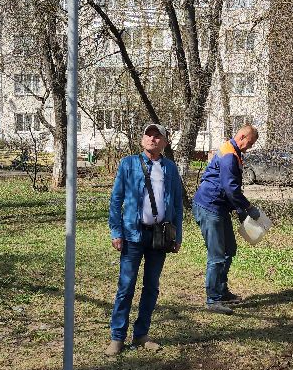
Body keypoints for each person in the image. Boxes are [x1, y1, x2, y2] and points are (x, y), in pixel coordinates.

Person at [106, 123, 183, 356]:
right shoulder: (128, 164)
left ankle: (141, 335)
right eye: (148, 135)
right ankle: (117, 337)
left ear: (165, 142)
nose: (152, 139)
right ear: (142, 140)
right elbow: (116, 199)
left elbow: (177, 204)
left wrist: (177, 234)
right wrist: (116, 231)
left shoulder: (170, 168)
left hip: (159, 236)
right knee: (126, 286)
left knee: (151, 287)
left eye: (157, 136)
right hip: (132, 234)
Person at [192, 125, 261, 314]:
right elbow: (231, 188)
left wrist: (239, 211)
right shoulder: (229, 155)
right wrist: (247, 207)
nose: (251, 147)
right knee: (217, 255)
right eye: (250, 142)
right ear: (242, 136)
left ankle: (221, 291)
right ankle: (212, 299)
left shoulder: (233, 152)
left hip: (219, 208)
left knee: (229, 249)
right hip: (209, 207)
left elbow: (229, 189)